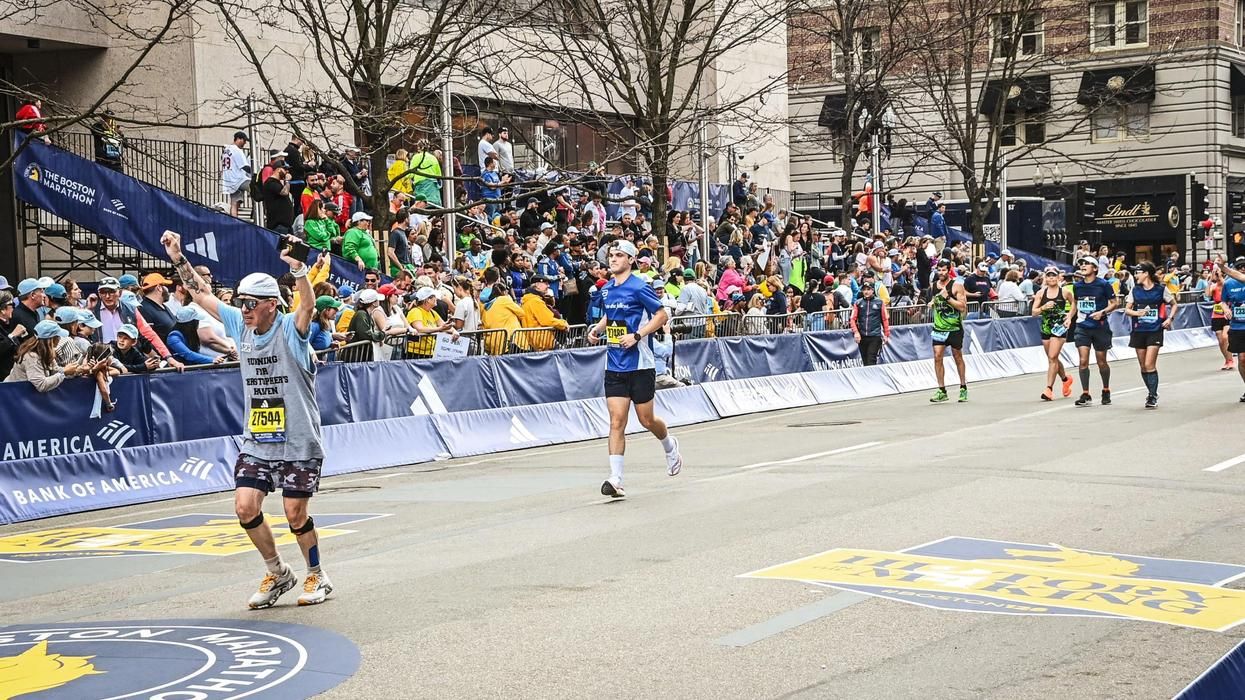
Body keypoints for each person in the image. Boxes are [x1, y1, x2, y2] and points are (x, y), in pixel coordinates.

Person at [161, 230, 333, 609]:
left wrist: (300, 268)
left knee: (294, 512)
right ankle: (278, 572)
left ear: (272, 304)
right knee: (245, 507)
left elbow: (307, 305)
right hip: (259, 437)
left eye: (251, 303)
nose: (244, 309)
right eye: (240, 302)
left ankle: (317, 574)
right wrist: (177, 256)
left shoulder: (290, 328)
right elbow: (201, 294)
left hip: (299, 438)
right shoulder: (241, 326)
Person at [586, 240, 683, 498]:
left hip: (640, 363)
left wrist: (637, 336)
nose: (613, 259)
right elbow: (610, 316)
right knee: (617, 420)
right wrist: (597, 329)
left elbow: (661, 315)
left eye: (619, 255)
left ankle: (669, 445)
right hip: (615, 363)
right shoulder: (606, 290)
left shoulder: (640, 287)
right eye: (611, 255)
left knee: (646, 419)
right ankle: (615, 478)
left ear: (630, 260)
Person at [1123, 261, 1176, 409]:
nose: (1136, 275)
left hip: (1155, 330)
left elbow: (1174, 304)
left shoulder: (1161, 290)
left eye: (1138, 272)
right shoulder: (1135, 290)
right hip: (1138, 330)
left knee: (1149, 364)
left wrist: (1169, 318)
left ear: (1146, 273)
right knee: (1142, 366)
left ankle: (1152, 395)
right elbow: (1127, 309)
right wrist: (1137, 313)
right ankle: (1150, 391)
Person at [1071, 255, 1118, 407]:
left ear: (1095, 268)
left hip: (1100, 327)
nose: (1083, 266)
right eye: (1081, 264)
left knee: (1101, 362)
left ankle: (1106, 389)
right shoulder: (1077, 286)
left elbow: (1114, 303)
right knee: (1083, 361)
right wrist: (1069, 316)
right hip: (1082, 326)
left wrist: (1102, 312)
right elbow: (1075, 304)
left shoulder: (1103, 284)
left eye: (1087, 264)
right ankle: (1085, 393)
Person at [5, 320, 89, 391]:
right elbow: (41, 385)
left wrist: (77, 370)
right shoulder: (31, 357)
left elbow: (55, 371)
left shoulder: (46, 352)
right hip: (13, 395)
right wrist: (64, 372)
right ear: (51, 340)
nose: (60, 339)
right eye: (58, 336)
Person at [1032, 266, 1075, 401]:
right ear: (1045, 278)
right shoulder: (1040, 293)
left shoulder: (1065, 292)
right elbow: (1034, 312)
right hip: (1046, 327)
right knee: (1053, 358)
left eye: (1054, 276)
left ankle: (1048, 389)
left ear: (1058, 277)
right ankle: (1065, 379)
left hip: (1059, 328)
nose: (1051, 278)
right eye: (1049, 276)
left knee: (1052, 356)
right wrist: (1043, 307)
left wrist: (1069, 317)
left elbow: (1074, 303)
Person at [927, 269, 968, 403]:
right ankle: (942, 390)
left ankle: (963, 387)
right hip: (939, 328)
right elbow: (933, 300)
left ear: (948, 271)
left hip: (954, 327)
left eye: (944, 270)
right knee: (937, 356)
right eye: (939, 269)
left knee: (957, 356)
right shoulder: (933, 286)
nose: (941, 272)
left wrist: (948, 298)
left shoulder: (956, 286)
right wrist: (932, 303)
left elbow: (962, 307)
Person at [1216, 256, 1245, 402]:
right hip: (1238, 325)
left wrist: (1223, 268)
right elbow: (1223, 301)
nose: (1243, 269)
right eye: (1240, 267)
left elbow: (1239, 276)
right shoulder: (1229, 284)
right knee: (1242, 358)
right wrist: (1226, 308)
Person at [850, 281, 890, 365]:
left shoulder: (879, 302)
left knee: (871, 359)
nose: (866, 292)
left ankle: (872, 377)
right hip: (862, 336)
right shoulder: (858, 303)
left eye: (868, 289)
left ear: (872, 291)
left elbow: (885, 319)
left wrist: (886, 334)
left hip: (875, 336)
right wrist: (856, 332)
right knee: (865, 360)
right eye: (864, 289)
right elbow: (852, 319)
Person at [222, 131, 252, 218]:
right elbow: (245, 167)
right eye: (244, 140)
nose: (245, 143)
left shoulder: (226, 150)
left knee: (234, 203)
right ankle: (255, 215)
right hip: (239, 179)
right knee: (256, 189)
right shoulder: (237, 150)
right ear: (238, 139)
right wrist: (254, 173)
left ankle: (234, 221)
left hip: (229, 180)